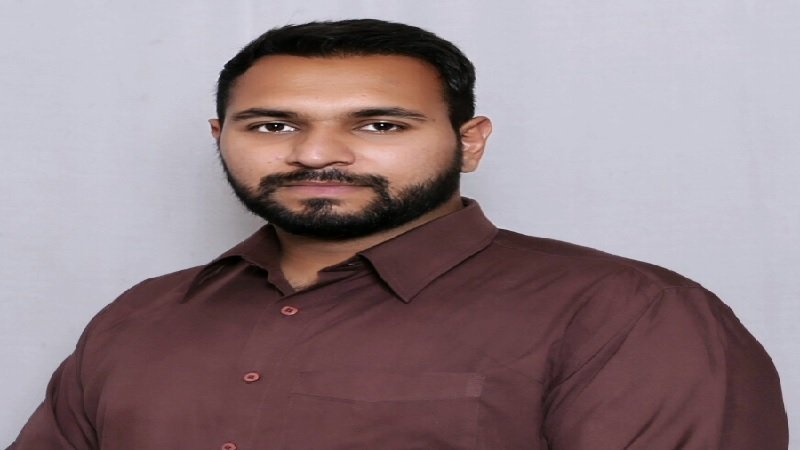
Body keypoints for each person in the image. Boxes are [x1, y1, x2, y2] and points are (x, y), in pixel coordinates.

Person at [8, 18, 788, 450]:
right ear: (221, 137)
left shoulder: (626, 315)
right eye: (273, 125)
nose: (315, 153)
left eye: (379, 125)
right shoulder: (143, 318)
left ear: (470, 142)